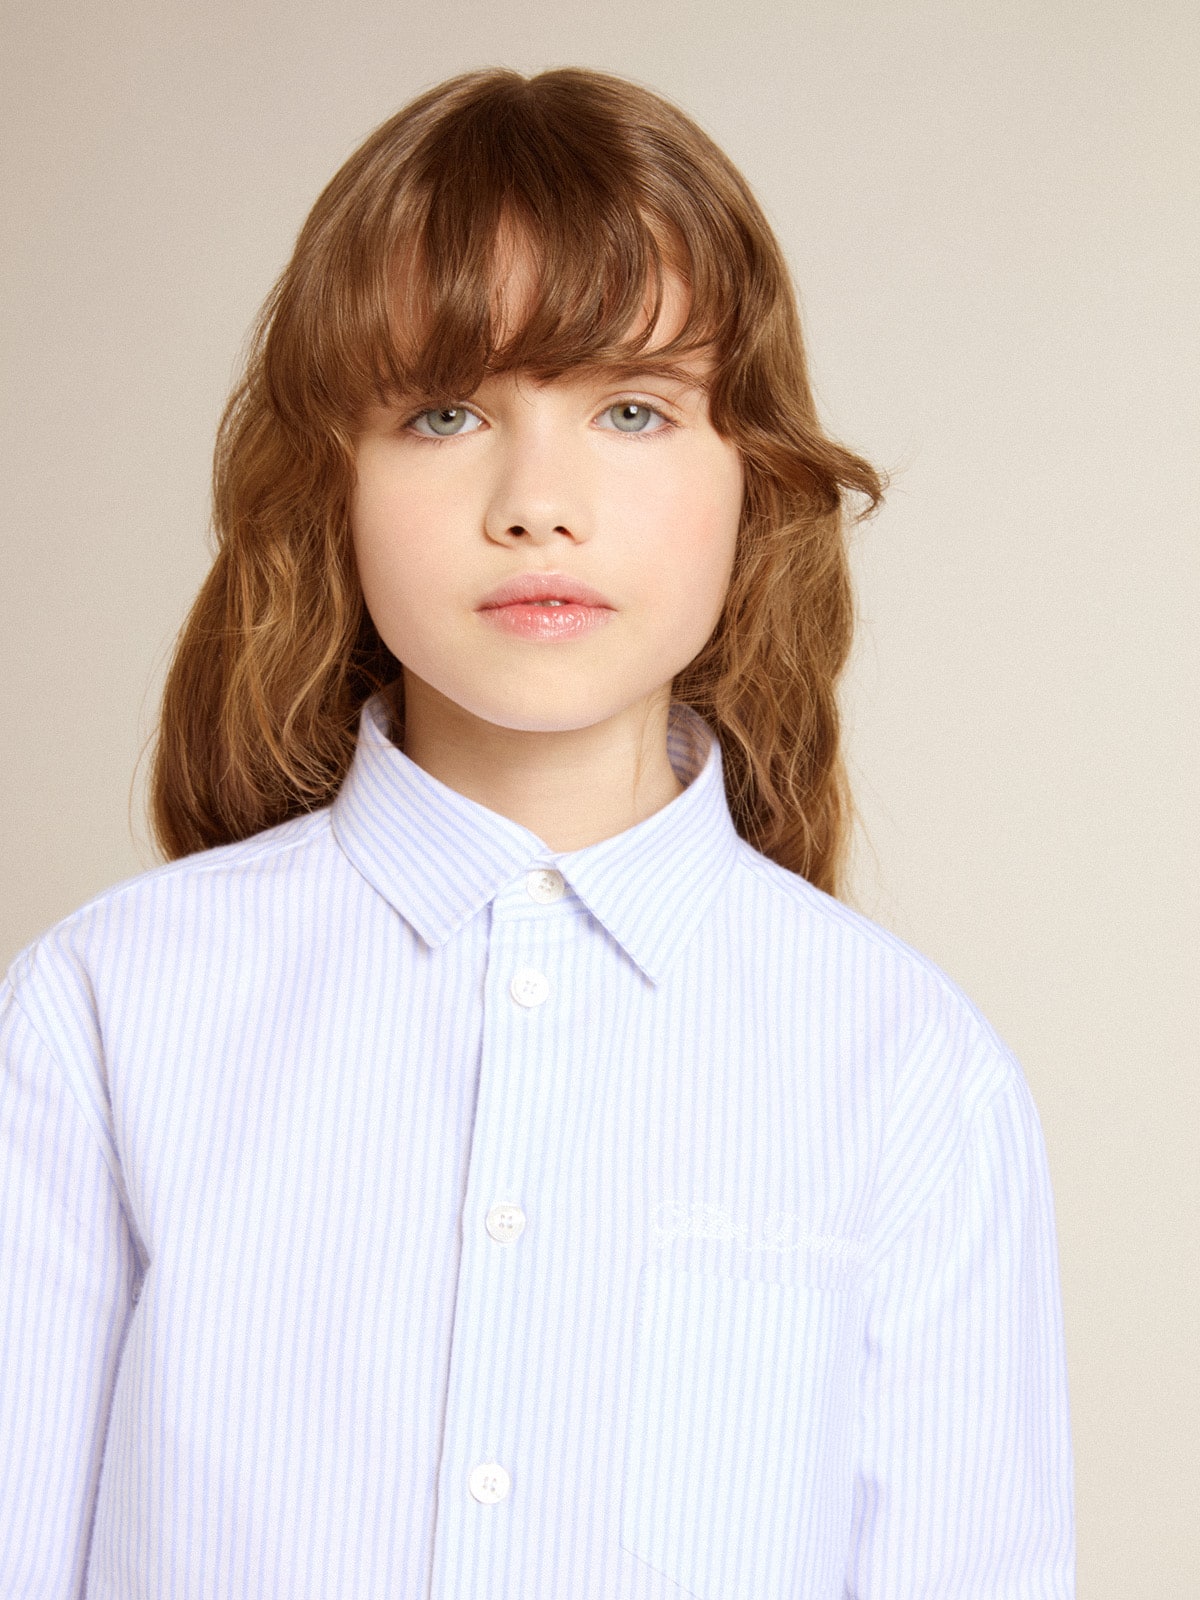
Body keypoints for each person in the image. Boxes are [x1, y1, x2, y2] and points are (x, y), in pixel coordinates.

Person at [0, 66, 1074, 1598]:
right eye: (444, 412)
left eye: (633, 409)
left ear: (751, 477)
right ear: (335, 478)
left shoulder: (910, 1075)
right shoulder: (103, 1016)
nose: (538, 503)